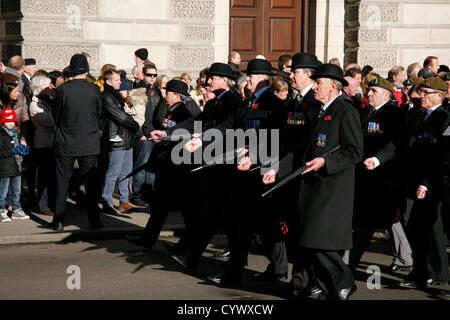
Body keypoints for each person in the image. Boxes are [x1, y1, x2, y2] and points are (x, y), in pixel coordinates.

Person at [264, 63, 363, 300]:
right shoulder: (320, 111)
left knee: (320, 241)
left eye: (319, 83)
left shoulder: (346, 111)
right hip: (312, 187)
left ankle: (344, 282)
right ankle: (325, 286)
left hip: (331, 188)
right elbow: (303, 150)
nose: (315, 86)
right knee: (309, 239)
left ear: (333, 86)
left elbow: (354, 151)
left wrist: (325, 163)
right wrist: (277, 169)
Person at [348, 77, 410, 274]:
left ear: (386, 94)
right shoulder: (366, 112)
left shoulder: (393, 114)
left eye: (374, 91)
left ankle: (350, 262)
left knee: (375, 220)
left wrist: (377, 159)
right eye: (369, 90)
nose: (369, 94)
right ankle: (405, 256)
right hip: (365, 175)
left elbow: (395, 144)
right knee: (384, 219)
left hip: (384, 177)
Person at [126, 79, 193, 249]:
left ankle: (189, 243)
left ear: (177, 95)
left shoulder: (183, 113)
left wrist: (168, 152)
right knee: (160, 206)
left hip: (175, 166)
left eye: (168, 92)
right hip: (165, 164)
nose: (165, 95)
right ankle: (148, 239)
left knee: (185, 207)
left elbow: (184, 138)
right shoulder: (171, 111)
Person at [48, 54, 103, 232]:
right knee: (91, 184)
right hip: (89, 141)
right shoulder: (94, 90)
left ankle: (58, 221)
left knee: (62, 182)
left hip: (66, 141)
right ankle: (94, 220)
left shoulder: (62, 90)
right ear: (86, 71)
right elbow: (99, 115)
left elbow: (56, 115)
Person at [101, 69, 143, 215]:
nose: (120, 82)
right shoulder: (107, 96)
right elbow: (121, 117)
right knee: (113, 172)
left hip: (126, 138)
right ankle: (107, 201)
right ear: (108, 81)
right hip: (117, 139)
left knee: (126, 172)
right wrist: (137, 128)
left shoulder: (116, 96)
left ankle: (124, 201)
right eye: (117, 80)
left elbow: (125, 116)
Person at [29, 76, 57, 216]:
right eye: (47, 86)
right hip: (44, 144)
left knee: (53, 176)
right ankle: (43, 205)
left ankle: (52, 204)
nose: (50, 88)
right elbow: (51, 121)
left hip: (54, 143)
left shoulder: (50, 101)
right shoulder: (35, 104)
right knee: (44, 176)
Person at [0, 108, 30, 222]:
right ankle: (1, 210)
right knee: (3, 191)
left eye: (13, 121)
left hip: (16, 166)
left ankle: (17, 209)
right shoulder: (1, 133)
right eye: (8, 121)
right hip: (4, 167)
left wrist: (22, 151)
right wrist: (13, 150)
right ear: (3, 121)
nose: (11, 123)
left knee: (17, 190)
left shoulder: (16, 132)